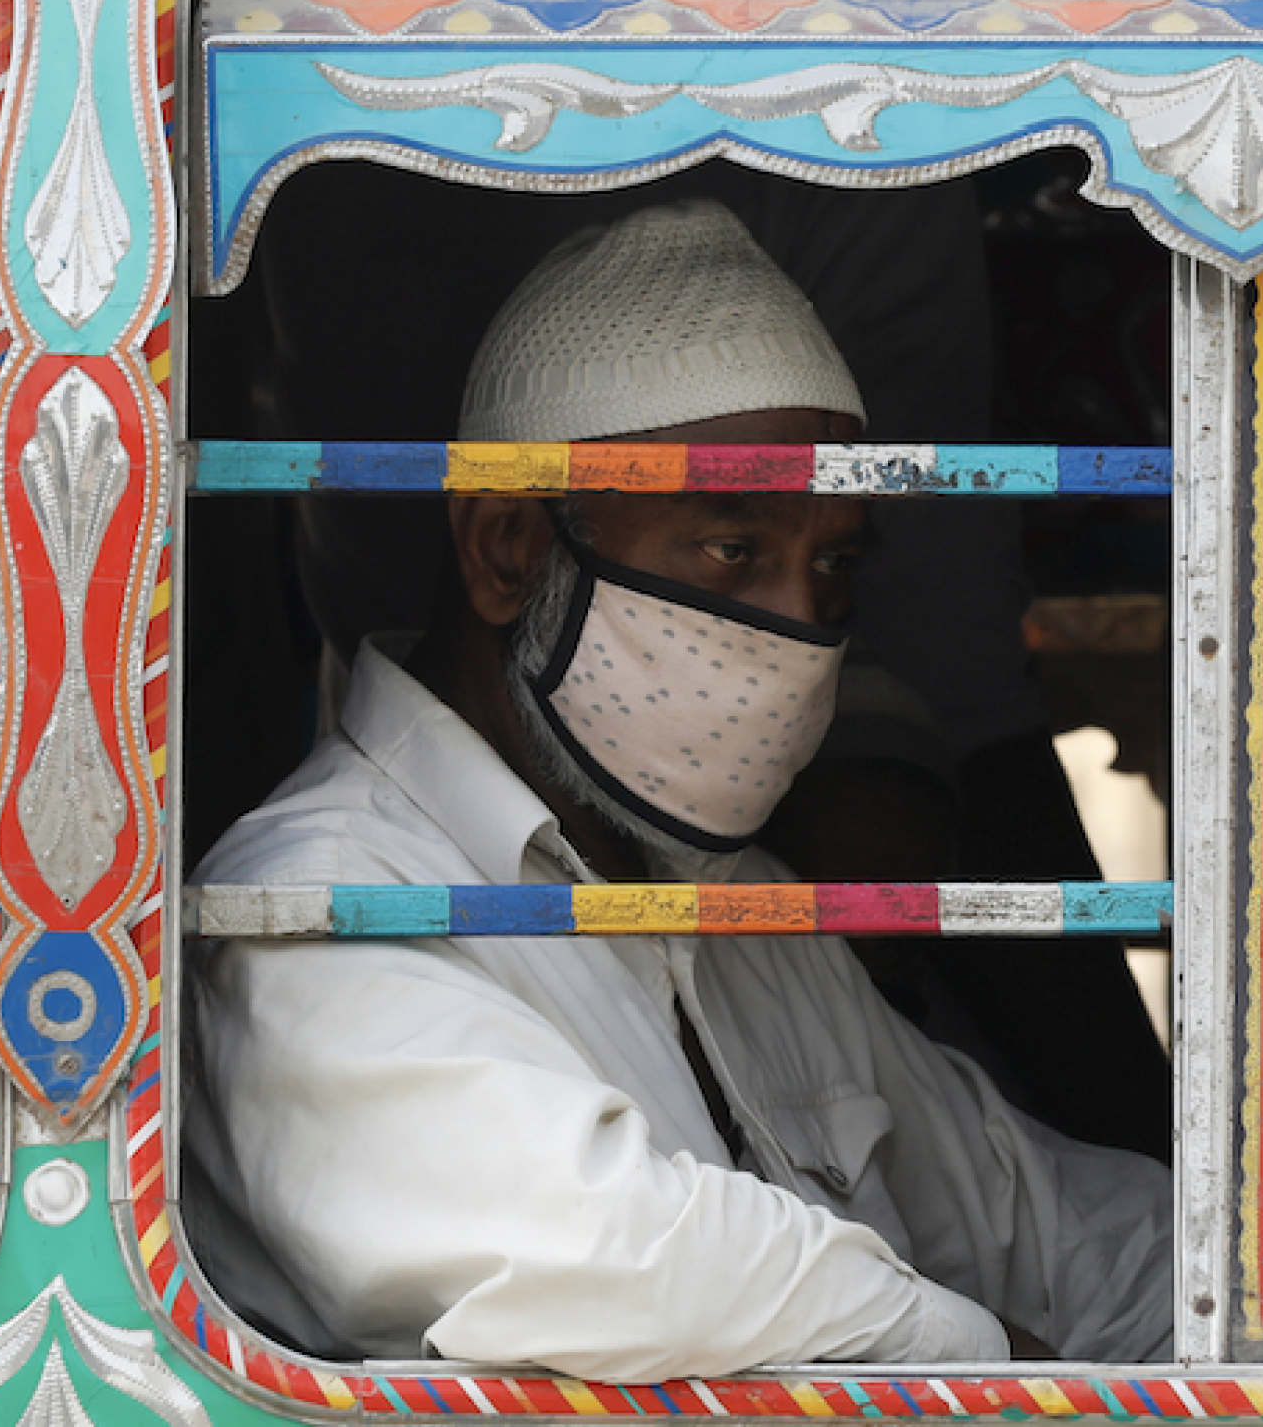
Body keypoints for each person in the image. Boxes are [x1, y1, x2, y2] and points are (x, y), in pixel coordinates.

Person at [185, 200, 1173, 1380]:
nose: (800, 626)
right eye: (733, 548)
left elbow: (1050, 1227)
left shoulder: (747, 912)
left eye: (834, 565)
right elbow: (618, 1253)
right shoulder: (313, 908)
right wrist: (997, 1363)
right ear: (507, 548)